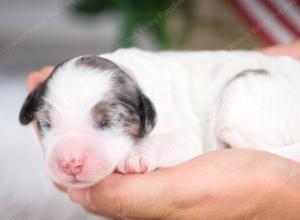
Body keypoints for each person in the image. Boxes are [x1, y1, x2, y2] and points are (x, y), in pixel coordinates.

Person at [27, 40, 300, 219]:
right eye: (49, 123)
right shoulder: (117, 86)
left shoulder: (157, 92)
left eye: (107, 121)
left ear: (144, 113)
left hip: (280, 88)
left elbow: (187, 141)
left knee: (240, 105)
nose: (70, 159)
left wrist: (281, 189)